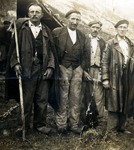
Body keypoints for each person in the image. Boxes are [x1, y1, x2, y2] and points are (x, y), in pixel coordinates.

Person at [10, 3, 55, 135]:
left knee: (42, 99)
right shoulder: (21, 29)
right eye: (32, 12)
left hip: (43, 68)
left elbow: (51, 52)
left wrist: (51, 67)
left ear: (42, 15)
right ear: (28, 14)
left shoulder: (46, 30)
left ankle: (40, 125)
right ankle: (23, 125)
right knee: (27, 98)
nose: (34, 14)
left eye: (37, 12)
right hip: (27, 69)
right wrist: (15, 64)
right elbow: (13, 50)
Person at [52, 10, 86, 134]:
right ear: (67, 19)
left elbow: (85, 53)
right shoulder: (57, 32)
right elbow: (52, 50)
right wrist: (57, 66)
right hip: (63, 67)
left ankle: (74, 124)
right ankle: (61, 124)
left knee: (75, 97)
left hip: (77, 68)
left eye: (77, 19)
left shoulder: (82, 35)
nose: (75, 22)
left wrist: (82, 67)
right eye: (73, 19)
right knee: (62, 96)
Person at [102, 19, 134, 140]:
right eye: (120, 27)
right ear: (116, 29)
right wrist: (105, 78)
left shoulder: (130, 44)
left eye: (124, 27)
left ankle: (122, 127)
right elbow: (104, 62)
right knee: (114, 102)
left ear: (127, 29)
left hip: (127, 77)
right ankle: (111, 131)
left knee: (125, 101)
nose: (122, 29)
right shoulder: (110, 43)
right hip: (114, 77)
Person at [83, 20, 106, 122]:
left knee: (98, 94)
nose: (95, 29)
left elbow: (104, 57)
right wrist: (83, 70)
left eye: (97, 28)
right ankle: (84, 118)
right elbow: (81, 56)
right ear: (90, 28)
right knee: (85, 93)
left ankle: (99, 118)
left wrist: (102, 71)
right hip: (86, 70)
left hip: (98, 70)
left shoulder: (102, 42)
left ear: (100, 29)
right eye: (93, 27)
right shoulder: (84, 39)